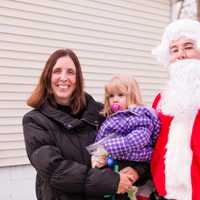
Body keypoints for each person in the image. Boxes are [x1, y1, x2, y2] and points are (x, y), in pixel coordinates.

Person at [22, 48, 150, 200]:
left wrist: (136, 171)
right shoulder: (35, 120)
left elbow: (138, 145)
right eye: (57, 71)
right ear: (47, 77)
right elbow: (55, 170)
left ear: (78, 79)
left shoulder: (102, 112)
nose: (64, 77)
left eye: (70, 72)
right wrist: (112, 181)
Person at [150, 19, 200, 200]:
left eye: (188, 47)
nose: (181, 55)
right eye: (174, 49)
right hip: (165, 195)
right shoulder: (161, 100)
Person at [90, 74, 160, 200]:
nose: (115, 100)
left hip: (131, 161)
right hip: (110, 161)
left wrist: (107, 148)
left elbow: (138, 139)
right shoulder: (112, 117)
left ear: (132, 96)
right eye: (111, 96)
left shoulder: (138, 116)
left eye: (120, 95)